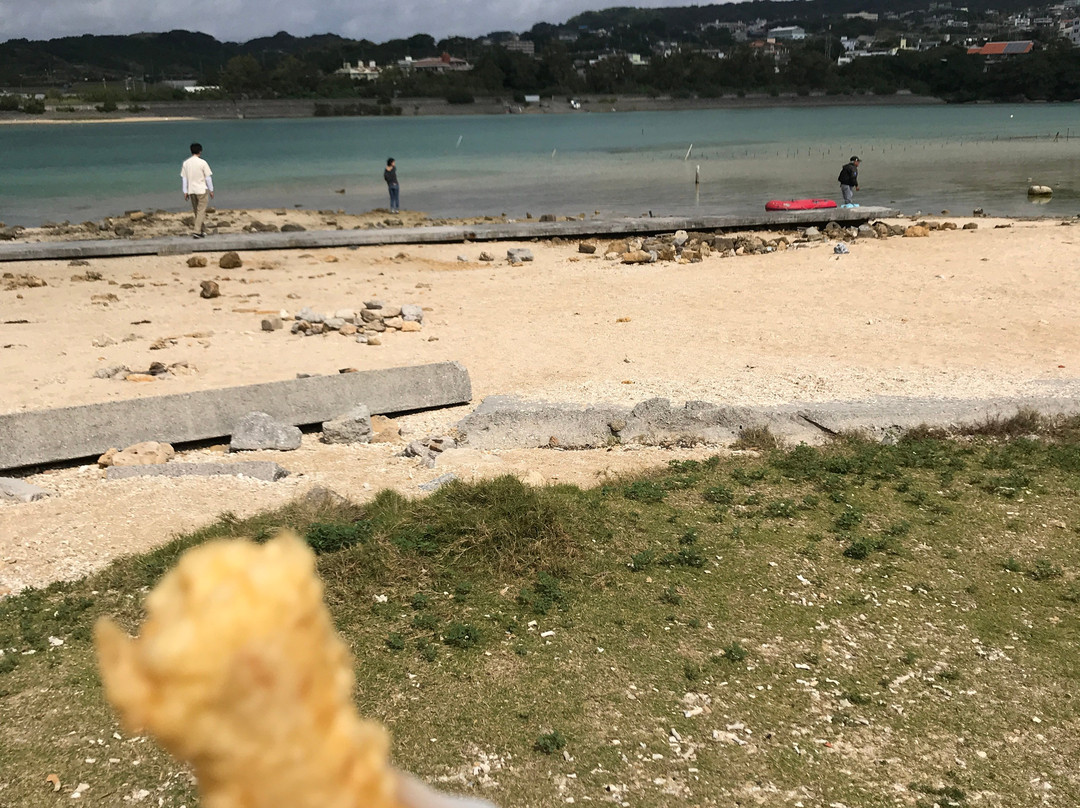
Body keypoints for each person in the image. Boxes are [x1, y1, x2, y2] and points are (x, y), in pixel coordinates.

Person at [181, 143, 214, 238]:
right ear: (200, 151)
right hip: (201, 189)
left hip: (191, 190)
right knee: (201, 211)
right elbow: (208, 178)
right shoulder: (203, 162)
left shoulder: (186, 163)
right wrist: (211, 189)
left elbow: (184, 179)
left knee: (197, 211)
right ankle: (196, 231)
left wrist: (185, 191)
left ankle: (201, 230)